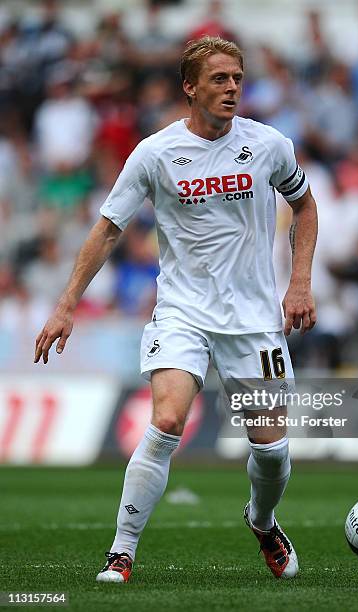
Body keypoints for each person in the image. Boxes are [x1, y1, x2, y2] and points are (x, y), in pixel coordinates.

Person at [34, 36, 318, 582]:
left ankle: (262, 521)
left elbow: (304, 205)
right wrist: (66, 304)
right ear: (190, 87)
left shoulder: (269, 146)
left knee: (273, 452)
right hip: (182, 313)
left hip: (255, 321)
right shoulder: (156, 152)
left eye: (237, 77)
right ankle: (121, 552)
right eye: (219, 79)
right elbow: (108, 228)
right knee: (165, 421)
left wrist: (300, 280)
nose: (232, 87)